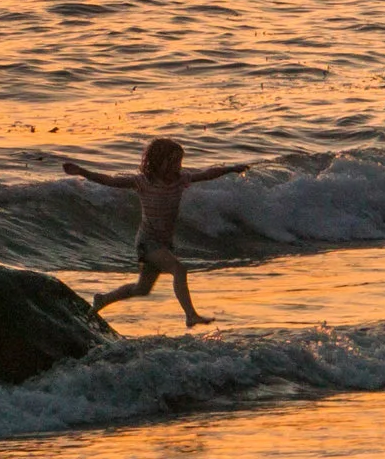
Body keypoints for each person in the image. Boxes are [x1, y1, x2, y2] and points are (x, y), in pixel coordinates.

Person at [60, 137, 251, 327]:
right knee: (179, 269)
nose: (178, 165)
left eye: (180, 161)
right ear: (161, 162)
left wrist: (231, 169)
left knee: (142, 289)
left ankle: (103, 299)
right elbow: (110, 180)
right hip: (147, 242)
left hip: (164, 242)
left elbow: (207, 173)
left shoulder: (181, 179)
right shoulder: (144, 182)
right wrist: (82, 171)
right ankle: (190, 315)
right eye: (174, 161)